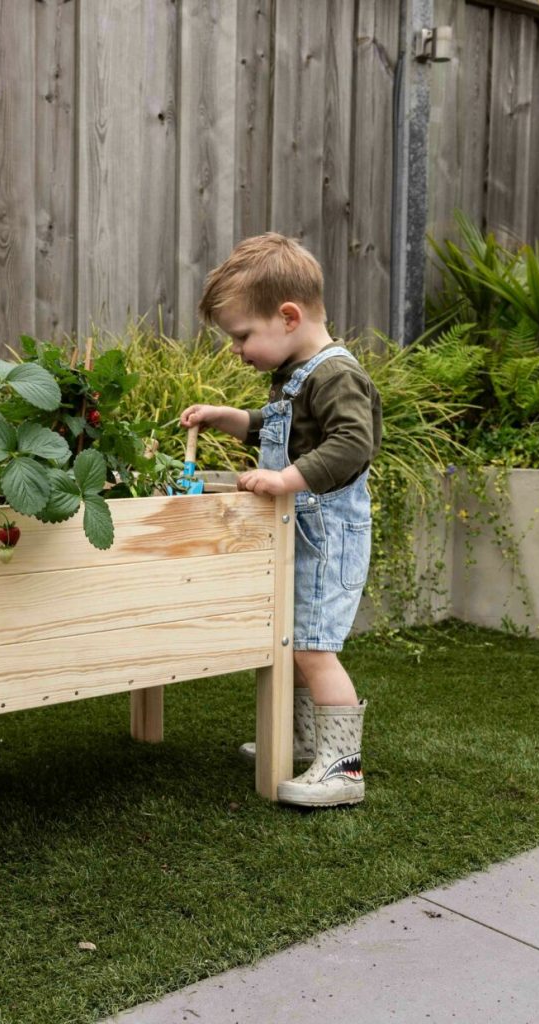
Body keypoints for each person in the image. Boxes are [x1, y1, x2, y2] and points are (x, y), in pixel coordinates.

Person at [180, 233, 382, 808]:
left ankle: (343, 769)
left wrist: (286, 480)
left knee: (314, 647)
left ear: (288, 316)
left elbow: (351, 445)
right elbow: (279, 426)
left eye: (243, 336)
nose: (238, 349)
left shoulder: (335, 374)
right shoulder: (299, 374)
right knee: (292, 641)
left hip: (328, 537)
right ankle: (302, 737)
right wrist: (228, 418)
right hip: (301, 534)